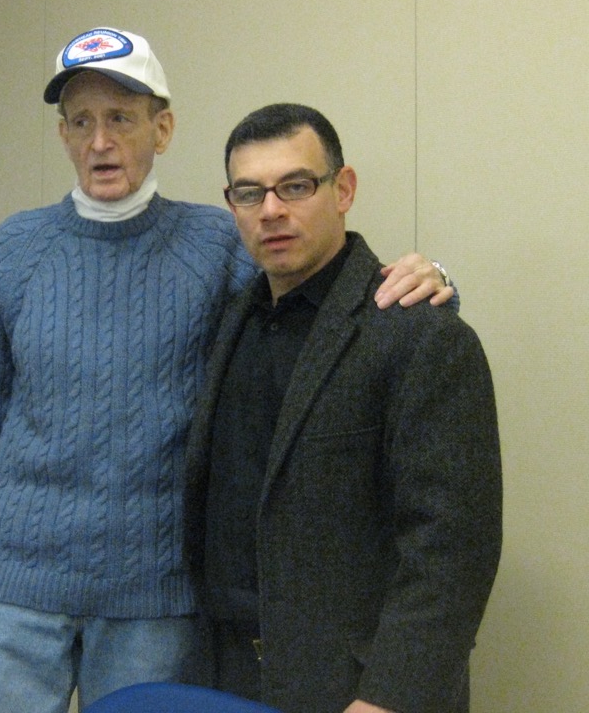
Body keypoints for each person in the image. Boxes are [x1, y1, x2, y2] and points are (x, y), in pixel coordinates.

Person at [0, 29, 455, 713]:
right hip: (16, 589)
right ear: (63, 135)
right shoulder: (15, 248)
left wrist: (431, 283)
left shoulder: (218, 243)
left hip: (154, 598)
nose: (100, 142)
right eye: (81, 122)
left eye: (120, 119)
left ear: (161, 130)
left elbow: (321, 307)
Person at [184, 103, 502, 713]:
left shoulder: (420, 335)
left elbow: (453, 549)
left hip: (356, 689)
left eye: (295, 186)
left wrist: (389, 697)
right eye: (249, 192)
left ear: (344, 189)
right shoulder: (229, 322)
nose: (271, 210)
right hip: (225, 675)